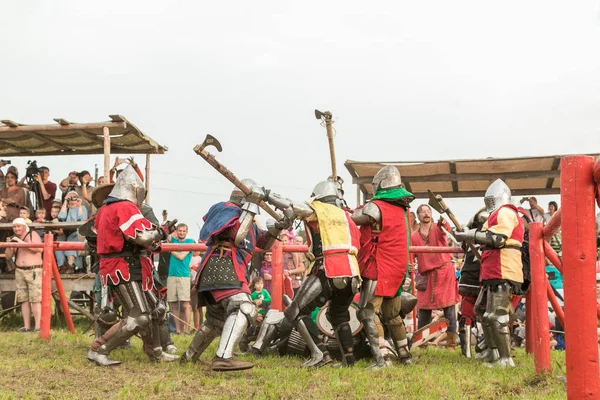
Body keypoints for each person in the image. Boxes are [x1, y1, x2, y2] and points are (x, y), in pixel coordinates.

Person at [180, 179, 283, 371]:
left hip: (226, 269)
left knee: (216, 320)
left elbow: (263, 242)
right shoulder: (225, 208)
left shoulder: (247, 220)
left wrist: (278, 227)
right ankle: (223, 357)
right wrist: (252, 205)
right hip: (222, 265)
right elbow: (237, 235)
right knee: (245, 307)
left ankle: (189, 356)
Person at [263, 179, 361, 368]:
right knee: (338, 315)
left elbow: (293, 206)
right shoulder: (346, 217)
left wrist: (267, 195)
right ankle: (349, 360)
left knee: (295, 310)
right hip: (352, 272)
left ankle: (320, 354)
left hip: (329, 267)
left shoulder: (319, 210)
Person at [86, 165, 178, 366]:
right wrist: (162, 232)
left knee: (156, 309)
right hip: (122, 267)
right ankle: (99, 351)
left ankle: (155, 350)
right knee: (139, 317)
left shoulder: (104, 210)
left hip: (129, 264)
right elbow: (141, 236)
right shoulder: (124, 207)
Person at [352, 165, 417, 368]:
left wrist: (342, 209)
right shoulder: (402, 209)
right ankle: (405, 356)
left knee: (367, 312)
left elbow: (355, 219)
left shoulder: (376, 206)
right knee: (392, 315)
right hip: (397, 268)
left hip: (378, 266)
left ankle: (383, 359)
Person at [455, 179, 524, 368]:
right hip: (493, 270)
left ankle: (506, 358)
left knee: (497, 315)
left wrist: (468, 235)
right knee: (482, 312)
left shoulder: (506, 212)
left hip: (504, 268)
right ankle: (493, 352)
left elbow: (497, 238)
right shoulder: (495, 215)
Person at [411, 204, 460, 349]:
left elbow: (448, 230)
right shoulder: (413, 236)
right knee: (424, 311)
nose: (426, 214)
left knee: (449, 309)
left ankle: (451, 344)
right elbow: (411, 257)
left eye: (428, 211)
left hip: (445, 272)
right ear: (418, 216)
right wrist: (409, 265)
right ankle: (422, 344)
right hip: (426, 276)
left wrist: (444, 222)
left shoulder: (439, 228)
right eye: (423, 212)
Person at [5, 218, 43, 332]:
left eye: (18, 226)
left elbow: (39, 249)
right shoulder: (14, 239)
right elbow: (7, 256)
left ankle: (38, 326)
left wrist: (21, 243)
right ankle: (26, 326)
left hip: (33, 270)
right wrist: (9, 244)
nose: (16, 229)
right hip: (19, 270)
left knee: (35, 299)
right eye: (14, 227)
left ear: (24, 226)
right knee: (23, 299)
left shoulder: (32, 234)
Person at [167, 223, 195, 334]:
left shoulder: (190, 242)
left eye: (184, 231)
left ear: (187, 232)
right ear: (177, 231)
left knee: (185, 304)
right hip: (172, 275)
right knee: (173, 303)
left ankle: (187, 329)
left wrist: (170, 250)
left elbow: (181, 256)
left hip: (184, 275)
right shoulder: (173, 240)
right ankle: (178, 330)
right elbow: (168, 236)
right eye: (180, 231)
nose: (182, 233)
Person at [57, 191, 88, 273]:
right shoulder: (66, 208)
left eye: (74, 197)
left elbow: (82, 219)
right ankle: (62, 265)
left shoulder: (82, 208)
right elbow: (61, 217)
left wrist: (79, 205)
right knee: (57, 242)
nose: (72, 198)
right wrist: (65, 202)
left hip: (77, 232)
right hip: (66, 231)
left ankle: (71, 265)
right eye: (70, 197)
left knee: (71, 240)